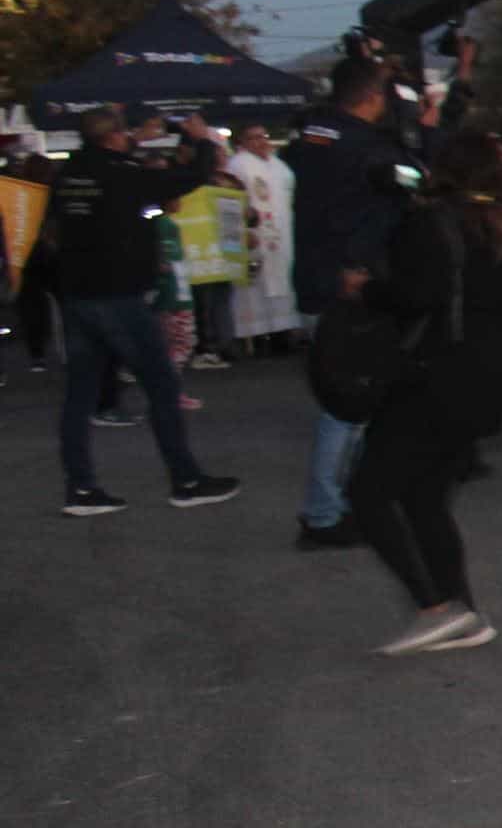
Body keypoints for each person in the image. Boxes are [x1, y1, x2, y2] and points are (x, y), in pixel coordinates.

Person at [349, 131, 502, 650]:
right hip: (487, 387)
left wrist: (366, 290)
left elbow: (412, 297)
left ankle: (436, 607)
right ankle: (461, 610)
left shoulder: (430, 225)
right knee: (426, 496)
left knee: (368, 492)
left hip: (433, 381)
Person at [50, 107, 244, 516]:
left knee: (79, 396)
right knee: (161, 387)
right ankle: (186, 480)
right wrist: (204, 141)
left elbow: (112, 166)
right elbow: (184, 179)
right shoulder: (122, 175)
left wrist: (138, 136)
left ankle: (80, 488)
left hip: (77, 296)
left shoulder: (69, 174)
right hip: (118, 296)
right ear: (114, 137)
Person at [287, 55, 405, 548]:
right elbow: (413, 180)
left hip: (317, 281)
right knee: (348, 406)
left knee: (348, 402)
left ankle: (344, 503)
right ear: (373, 98)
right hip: (351, 287)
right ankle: (324, 513)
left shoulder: (309, 139)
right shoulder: (365, 148)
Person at [224, 121, 299, 346]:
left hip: (281, 233)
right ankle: (257, 336)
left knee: (282, 278)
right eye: (254, 137)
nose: (261, 141)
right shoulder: (237, 165)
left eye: (263, 136)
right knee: (255, 284)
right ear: (243, 142)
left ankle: (282, 333)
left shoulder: (279, 166)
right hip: (255, 233)